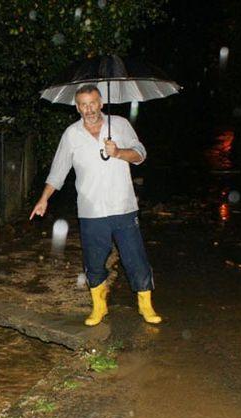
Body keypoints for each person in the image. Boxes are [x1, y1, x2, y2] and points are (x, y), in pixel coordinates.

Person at [30, 84, 161, 325]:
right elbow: (58, 171)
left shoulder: (120, 125)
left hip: (123, 206)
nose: (89, 109)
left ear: (101, 103)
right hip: (91, 210)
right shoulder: (71, 134)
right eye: (83, 104)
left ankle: (146, 305)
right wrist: (43, 199)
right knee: (93, 260)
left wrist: (119, 152)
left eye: (93, 103)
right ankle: (99, 307)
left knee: (135, 258)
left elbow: (141, 154)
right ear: (77, 107)